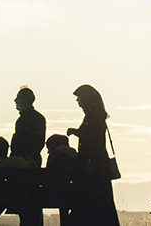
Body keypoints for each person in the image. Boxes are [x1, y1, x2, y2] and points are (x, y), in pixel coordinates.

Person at [66, 85, 120, 226]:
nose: (78, 102)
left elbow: (92, 140)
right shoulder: (96, 116)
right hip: (98, 167)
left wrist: (89, 163)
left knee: (90, 204)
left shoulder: (93, 117)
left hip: (93, 167)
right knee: (100, 205)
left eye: (79, 98)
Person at [11, 87, 45, 226]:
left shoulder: (23, 120)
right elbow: (39, 143)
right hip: (33, 162)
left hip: (22, 166)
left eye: (17, 98)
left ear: (24, 101)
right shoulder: (39, 118)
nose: (15, 101)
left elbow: (19, 144)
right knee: (32, 206)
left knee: (25, 207)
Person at [0, 136, 32, 226]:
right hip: (16, 195)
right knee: (8, 196)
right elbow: (30, 165)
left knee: (3, 198)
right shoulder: (16, 162)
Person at [45, 134, 79, 226]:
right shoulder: (75, 154)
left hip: (56, 192)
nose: (48, 152)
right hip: (76, 192)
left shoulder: (55, 155)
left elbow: (48, 175)